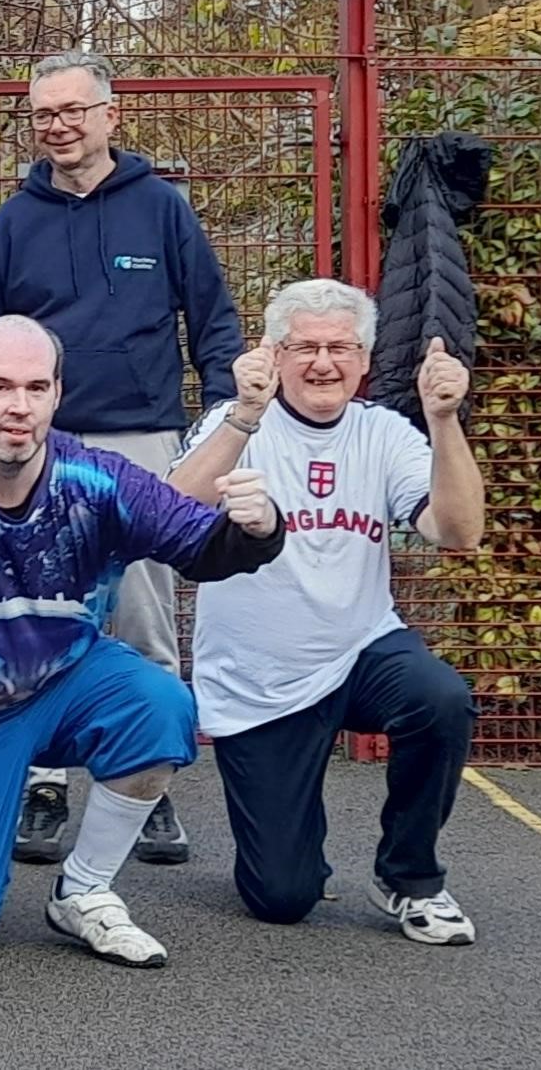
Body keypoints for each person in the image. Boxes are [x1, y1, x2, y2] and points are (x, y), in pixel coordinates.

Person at [0, 316, 285, 967]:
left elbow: (198, 547)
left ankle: (84, 891)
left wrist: (259, 530)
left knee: (161, 701)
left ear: (57, 395)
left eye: (36, 388)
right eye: (1, 386)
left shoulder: (95, 477)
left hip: (61, 683)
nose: (19, 407)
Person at [0, 50, 242, 867]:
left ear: (109, 115)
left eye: (72, 110)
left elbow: (214, 321)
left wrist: (225, 419)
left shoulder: (161, 208)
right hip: (42, 446)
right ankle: (45, 781)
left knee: (143, 616)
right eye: (44, 115)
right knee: (43, 610)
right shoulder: (15, 220)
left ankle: (145, 784)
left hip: (147, 438)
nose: (58, 126)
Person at [170, 279, 484, 945]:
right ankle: (295, 860)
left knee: (441, 697)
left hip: (361, 650)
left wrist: (445, 419)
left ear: (365, 360)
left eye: (340, 347)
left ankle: (411, 877)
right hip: (260, 680)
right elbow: (172, 512)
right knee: (282, 898)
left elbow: (457, 531)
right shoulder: (238, 422)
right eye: (304, 346)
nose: (323, 362)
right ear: (274, 356)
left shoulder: (383, 431)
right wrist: (246, 415)